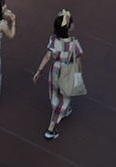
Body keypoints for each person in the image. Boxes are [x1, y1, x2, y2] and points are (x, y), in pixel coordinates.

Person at [31, 11, 85, 141]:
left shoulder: (54, 41)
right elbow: (78, 61)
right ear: (68, 28)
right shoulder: (74, 43)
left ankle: (61, 110)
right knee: (65, 97)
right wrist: (79, 74)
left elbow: (48, 56)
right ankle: (51, 128)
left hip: (55, 70)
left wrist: (39, 71)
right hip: (67, 71)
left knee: (55, 93)